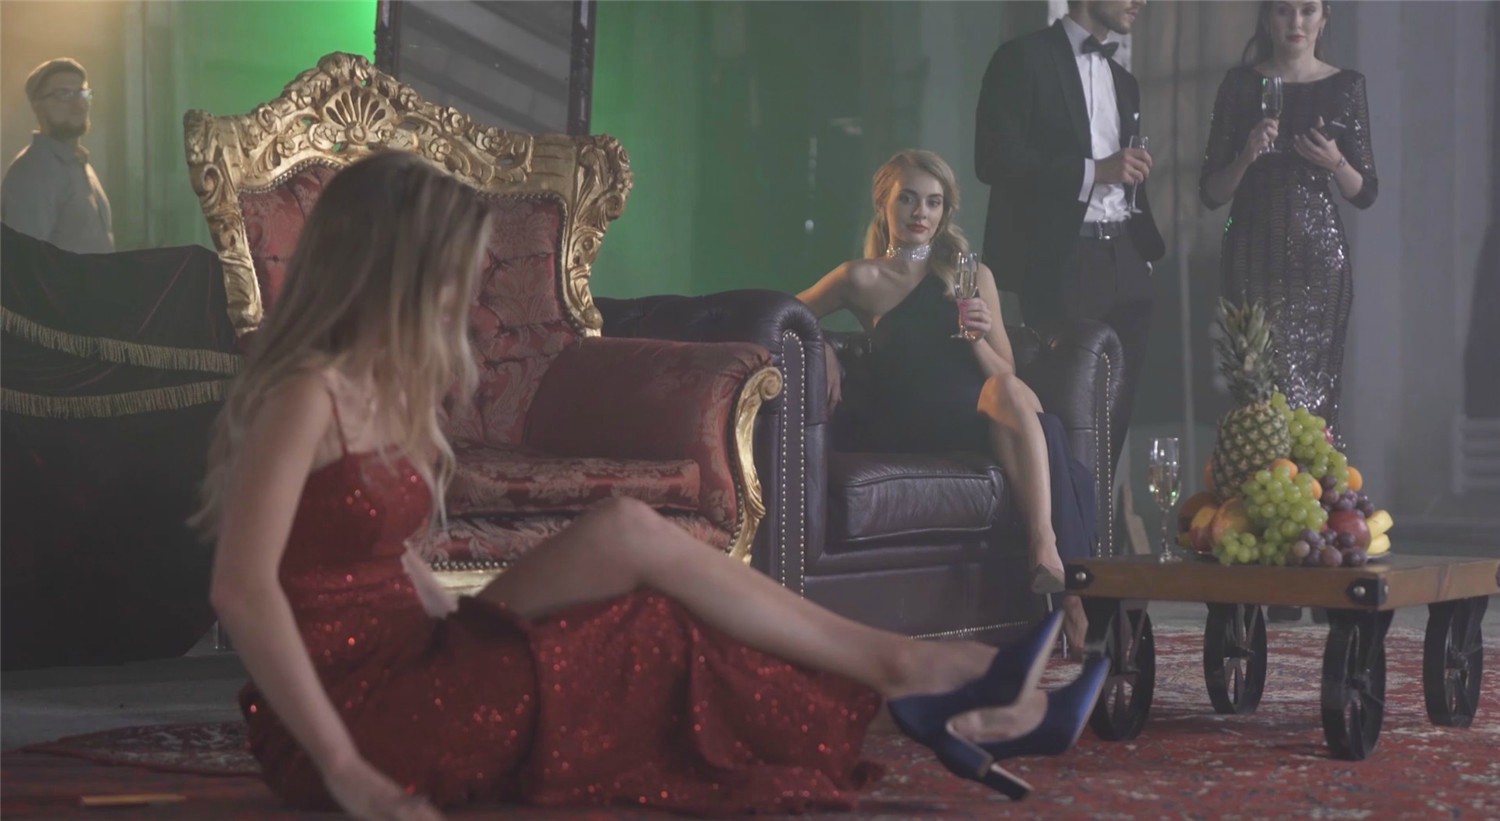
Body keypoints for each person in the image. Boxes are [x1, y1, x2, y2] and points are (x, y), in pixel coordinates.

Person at [193, 152, 1109, 819]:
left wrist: (450, 616)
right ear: (390, 268)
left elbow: (383, 555)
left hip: (421, 654)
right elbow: (242, 588)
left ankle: (919, 677)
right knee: (650, 637)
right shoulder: (306, 393)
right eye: (448, 275)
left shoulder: (387, 386)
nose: (464, 299)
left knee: (630, 541)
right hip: (359, 714)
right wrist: (346, 768)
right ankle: (923, 683)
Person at [796, 149, 1097, 655]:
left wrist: (976, 337)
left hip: (982, 415)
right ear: (884, 203)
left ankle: (1045, 548)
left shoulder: (972, 276)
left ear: (945, 212)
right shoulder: (859, 278)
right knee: (1050, 438)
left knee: (1013, 397)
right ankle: (1072, 600)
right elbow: (784, 316)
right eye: (908, 199)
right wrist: (820, 345)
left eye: (933, 203)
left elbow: (1006, 373)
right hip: (913, 424)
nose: (921, 213)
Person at [1199, 0, 1375, 625]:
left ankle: (1324, 560)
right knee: (1259, 409)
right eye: (1282, 11)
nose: (1295, 23)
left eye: (1307, 10)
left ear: (1324, 18)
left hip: (1319, 263)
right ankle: (1269, 573)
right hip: (1251, 255)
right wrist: (1248, 153)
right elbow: (1210, 191)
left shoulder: (1346, 85)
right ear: (1267, 20)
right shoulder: (1239, 85)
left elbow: (1366, 192)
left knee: (1317, 410)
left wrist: (1336, 164)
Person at [974, 0, 1164, 471]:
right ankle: (1062, 517)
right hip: (1063, 260)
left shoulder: (1125, 81)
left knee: (1115, 421)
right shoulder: (1022, 58)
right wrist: (1094, 171)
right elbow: (994, 159)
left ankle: (1098, 519)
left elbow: (1125, 171)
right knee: (1065, 417)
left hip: (1128, 259)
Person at [2, 58, 114, 254]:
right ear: (37, 106)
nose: (79, 104)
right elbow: (23, 262)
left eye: (82, 92)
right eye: (64, 94)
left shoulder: (79, 163)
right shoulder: (33, 172)